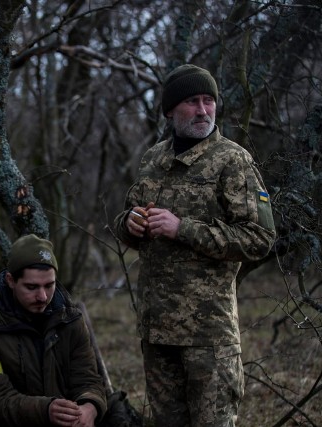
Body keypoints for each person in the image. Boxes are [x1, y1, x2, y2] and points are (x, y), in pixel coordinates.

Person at [113, 64, 276, 426]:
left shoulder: (232, 160)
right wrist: (130, 224)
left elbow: (260, 238)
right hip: (157, 329)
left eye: (209, 101)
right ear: (170, 110)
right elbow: (124, 222)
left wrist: (182, 228)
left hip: (208, 335)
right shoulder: (153, 159)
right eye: (192, 102)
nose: (203, 110)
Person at [0, 234, 109, 427]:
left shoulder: (71, 320)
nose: (42, 296)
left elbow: (88, 378)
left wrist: (89, 408)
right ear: (10, 280)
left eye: (49, 285)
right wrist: (46, 410)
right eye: (31, 287)